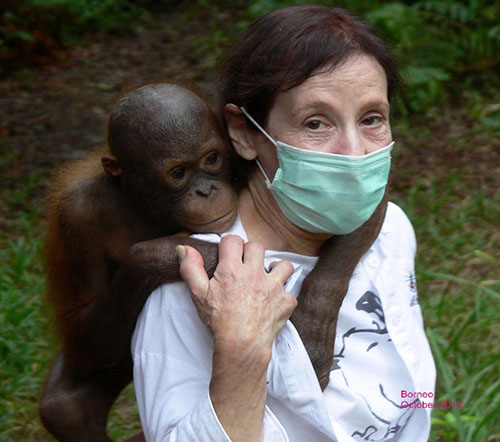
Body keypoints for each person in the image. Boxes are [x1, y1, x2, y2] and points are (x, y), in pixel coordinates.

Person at [131, 5, 436, 441]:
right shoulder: (192, 288)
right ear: (245, 133)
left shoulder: (391, 229)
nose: (354, 154)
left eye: (372, 119)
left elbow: (404, 371)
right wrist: (242, 353)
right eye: (315, 123)